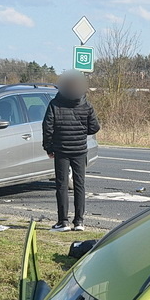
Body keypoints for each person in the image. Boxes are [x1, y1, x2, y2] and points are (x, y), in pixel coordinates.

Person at [43, 71, 100, 232]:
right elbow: (95, 127)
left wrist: (48, 147)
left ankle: (63, 221)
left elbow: (47, 127)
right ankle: (79, 221)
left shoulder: (55, 104)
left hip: (61, 150)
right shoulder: (86, 105)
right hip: (80, 150)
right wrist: (82, 132)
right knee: (79, 185)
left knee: (61, 185)